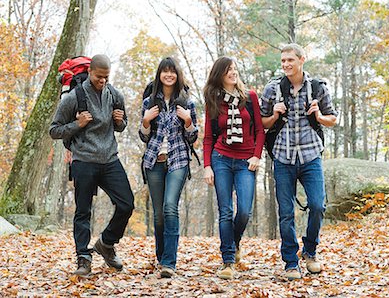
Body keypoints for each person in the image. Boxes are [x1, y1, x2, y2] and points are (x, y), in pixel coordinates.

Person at [49, 54, 135, 277]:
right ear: (90, 73)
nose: (103, 81)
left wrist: (119, 121)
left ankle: (106, 243)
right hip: (84, 161)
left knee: (126, 204)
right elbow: (54, 130)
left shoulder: (115, 95)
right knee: (83, 212)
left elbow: (122, 126)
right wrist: (77, 124)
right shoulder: (74, 98)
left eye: (106, 77)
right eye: (99, 77)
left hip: (110, 160)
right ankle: (83, 258)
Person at [260, 44, 337, 280]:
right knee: (285, 213)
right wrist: (274, 114)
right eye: (283, 61)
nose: (285, 65)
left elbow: (332, 119)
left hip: (310, 155)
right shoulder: (272, 89)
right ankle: (291, 263)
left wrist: (318, 115)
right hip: (283, 157)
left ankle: (310, 251)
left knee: (317, 205)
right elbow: (262, 123)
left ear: (302, 60)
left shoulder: (317, 88)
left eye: (290, 60)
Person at [203, 56, 265, 280]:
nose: (233, 72)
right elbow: (208, 137)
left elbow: (260, 130)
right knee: (225, 211)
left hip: (245, 161)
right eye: (228, 70)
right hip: (221, 158)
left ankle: (234, 243)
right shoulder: (213, 100)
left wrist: (256, 156)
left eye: (235, 69)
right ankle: (228, 260)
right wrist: (207, 166)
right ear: (220, 74)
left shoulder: (250, 98)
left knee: (245, 211)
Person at [139, 57, 198, 278]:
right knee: (158, 214)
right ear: (159, 75)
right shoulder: (149, 102)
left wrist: (188, 121)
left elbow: (193, 137)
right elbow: (144, 137)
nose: (169, 75)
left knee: (170, 206)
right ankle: (161, 257)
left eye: (172, 72)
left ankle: (169, 263)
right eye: (165, 71)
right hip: (154, 161)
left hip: (179, 160)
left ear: (177, 75)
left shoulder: (186, 102)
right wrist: (146, 122)